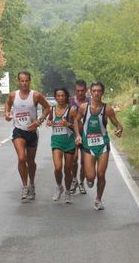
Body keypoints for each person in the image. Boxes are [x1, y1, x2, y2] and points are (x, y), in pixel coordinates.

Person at [73, 82, 123, 210]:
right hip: (88, 145)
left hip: (103, 145)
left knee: (101, 174)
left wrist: (119, 130)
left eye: (99, 91)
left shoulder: (108, 109)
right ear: (90, 92)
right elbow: (76, 120)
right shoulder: (84, 107)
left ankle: (98, 199)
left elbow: (118, 125)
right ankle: (89, 180)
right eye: (94, 90)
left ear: (102, 92)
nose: (96, 93)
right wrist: (78, 135)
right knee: (91, 176)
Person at [4, 71, 51, 202]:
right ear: (18, 82)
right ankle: (24, 186)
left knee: (30, 162)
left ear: (29, 81)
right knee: (21, 158)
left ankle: (32, 184)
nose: (24, 83)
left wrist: (39, 121)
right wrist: (7, 114)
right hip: (18, 131)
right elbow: (7, 105)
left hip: (32, 132)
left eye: (26, 81)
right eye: (22, 81)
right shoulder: (13, 95)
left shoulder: (35, 95)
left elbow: (47, 108)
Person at [46, 87, 77, 204]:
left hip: (69, 142)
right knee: (58, 168)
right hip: (56, 142)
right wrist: (49, 122)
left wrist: (68, 123)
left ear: (66, 97)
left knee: (67, 169)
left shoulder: (72, 110)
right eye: (58, 96)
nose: (60, 98)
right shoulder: (51, 109)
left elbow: (78, 127)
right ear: (55, 97)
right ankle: (59, 187)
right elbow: (49, 121)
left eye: (62, 96)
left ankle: (68, 192)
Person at [69, 80, 90, 195]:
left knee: (83, 161)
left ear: (86, 91)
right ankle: (74, 180)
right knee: (73, 159)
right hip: (72, 134)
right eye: (78, 91)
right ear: (75, 90)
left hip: (86, 134)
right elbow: (64, 115)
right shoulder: (70, 101)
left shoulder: (90, 101)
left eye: (82, 91)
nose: (80, 93)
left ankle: (81, 182)